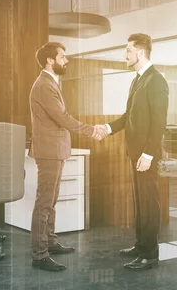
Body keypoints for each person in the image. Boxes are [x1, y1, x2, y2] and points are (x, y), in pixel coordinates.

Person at [29, 42, 106, 272]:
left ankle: (50, 243)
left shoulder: (50, 82)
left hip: (56, 150)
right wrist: (91, 130)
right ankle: (39, 254)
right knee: (44, 203)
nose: (66, 60)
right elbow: (62, 118)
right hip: (49, 152)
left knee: (50, 201)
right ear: (49, 60)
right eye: (63, 56)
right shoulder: (44, 85)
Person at [104, 33, 169, 271]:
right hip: (135, 152)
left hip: (146, 155)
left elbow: (159, 122)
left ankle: (150, 254)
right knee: (140, 202)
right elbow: (128, 116)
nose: (125, 55)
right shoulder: (137, 80)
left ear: (140, 53)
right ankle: (141, 245)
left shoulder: (156, 80)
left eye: (128, 51)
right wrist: (108, 128)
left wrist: (149, 154)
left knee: (149, 204)